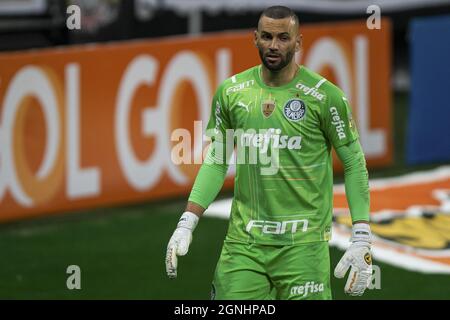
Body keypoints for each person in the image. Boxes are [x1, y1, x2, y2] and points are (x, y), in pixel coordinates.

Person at [165, 5, 372, 300]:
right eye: (267, 37)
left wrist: (361, 235)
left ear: (298, 42)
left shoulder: (327, 98)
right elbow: (217, 159)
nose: (274, 45)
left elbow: (354, 164)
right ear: (255, 38)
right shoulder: (232, 92)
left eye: (284, 38)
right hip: (244, 246)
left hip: (304, 247)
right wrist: (187, 221)